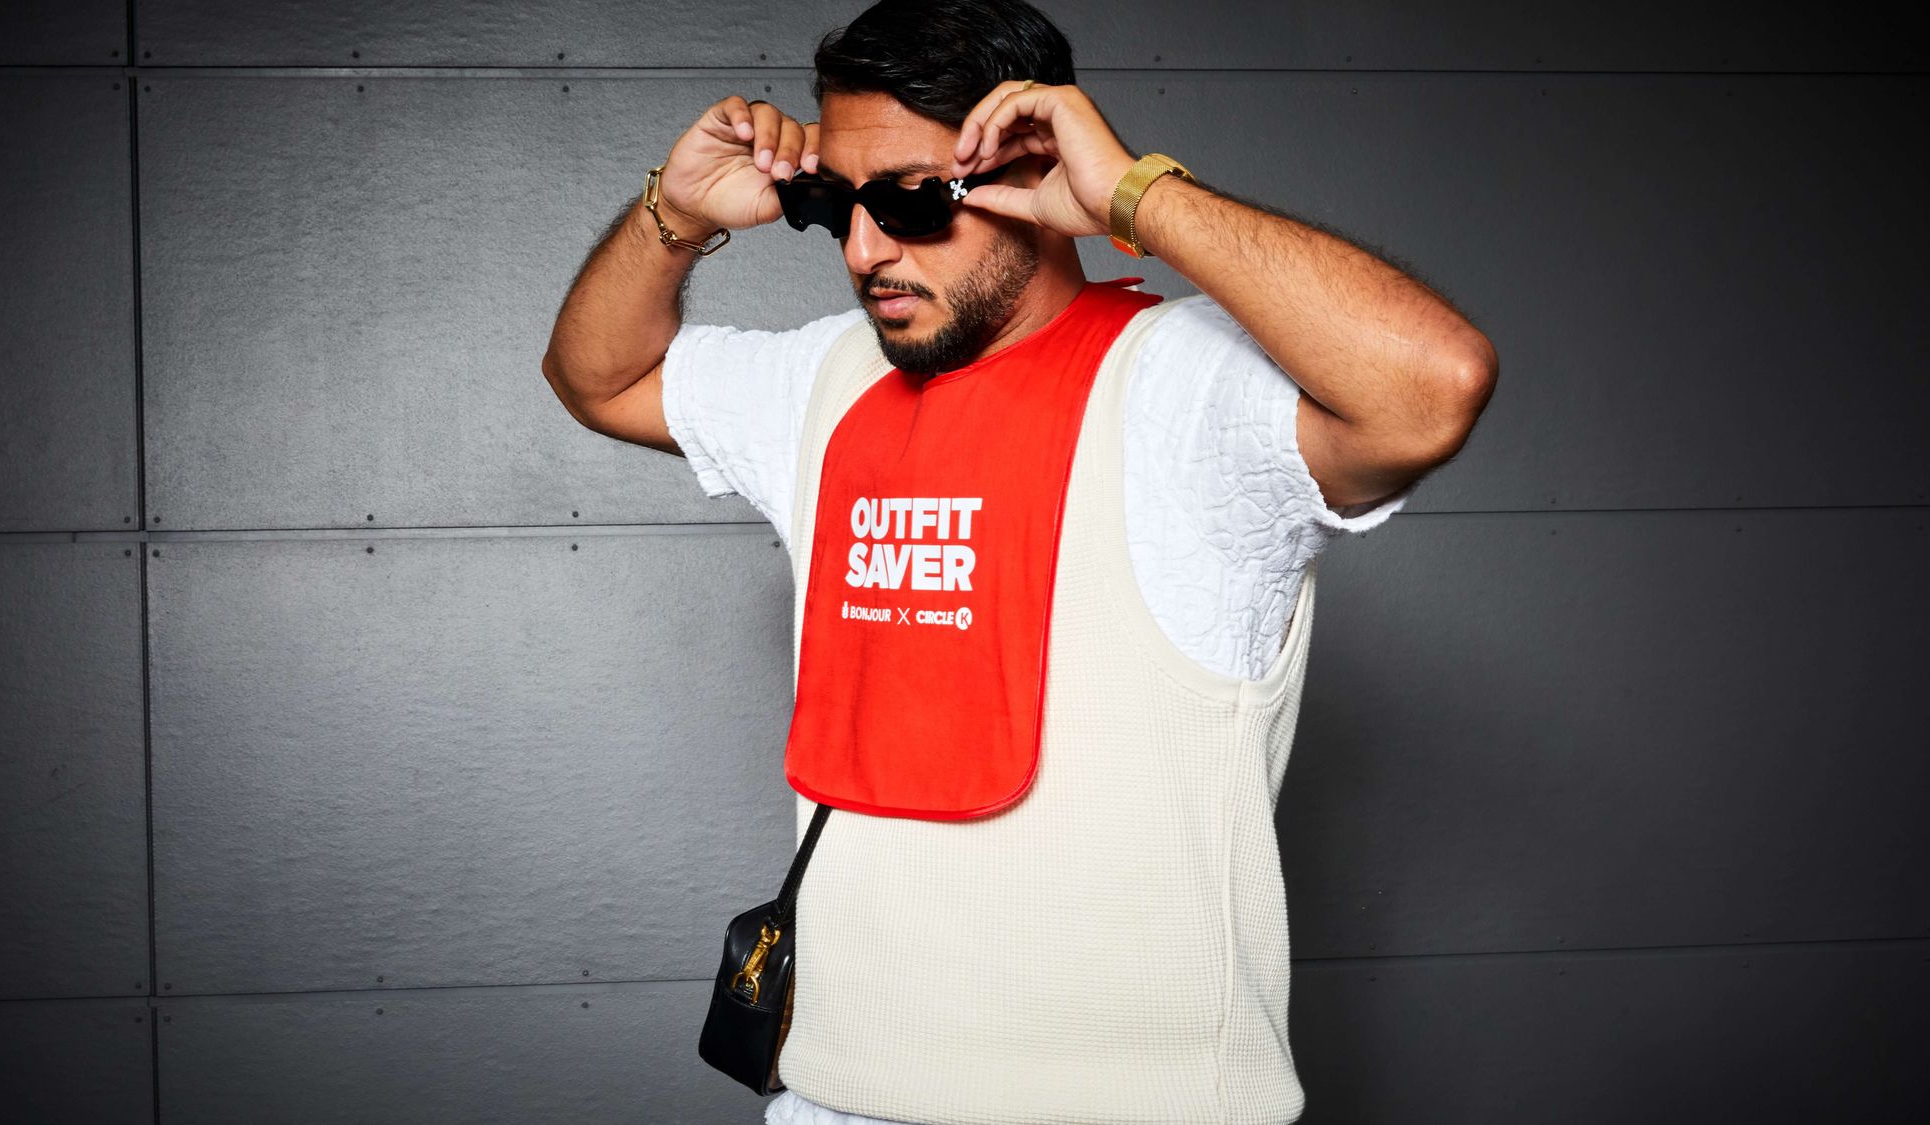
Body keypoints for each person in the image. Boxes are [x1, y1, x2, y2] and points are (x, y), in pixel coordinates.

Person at [542, 2, 1495, 1121]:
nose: (862, 251)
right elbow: (597, 378)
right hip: (835, 1097)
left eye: (908, 201)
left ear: (1033, 166)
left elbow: (1431, 386)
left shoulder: (1182, 390)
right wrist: (673, 214)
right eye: (834, 207)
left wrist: (1135, 193)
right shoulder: (827, 379)